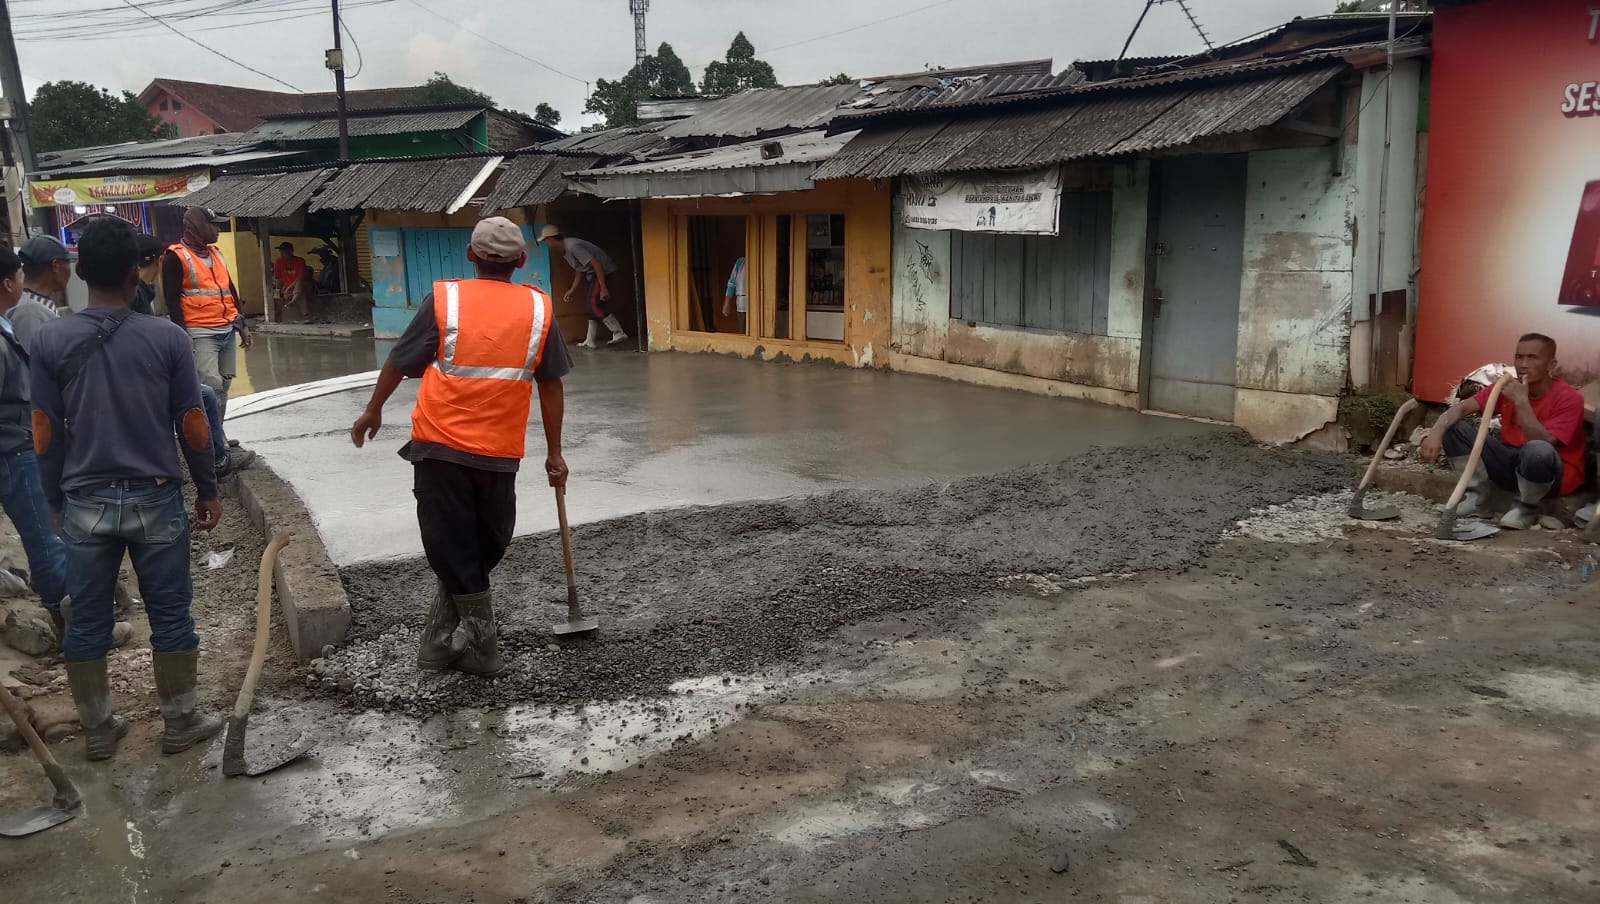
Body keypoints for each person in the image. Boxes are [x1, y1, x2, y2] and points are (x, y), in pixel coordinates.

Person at [31, 216, 224, 761]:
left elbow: (44, 432)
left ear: (82, 273)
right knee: (170, 615)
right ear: (133, 274)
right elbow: (193, 422)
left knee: (87, 617)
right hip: (155, 496)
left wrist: (51, 500)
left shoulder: (49, 340)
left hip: (84, 501)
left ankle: (98, 731)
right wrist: (207, 489)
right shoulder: (167, 337)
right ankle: (181, 722)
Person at [350, 217, 570, 677]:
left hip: (487, 449)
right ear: (522, 261)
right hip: (446, 444)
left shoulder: (518, 307)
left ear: (471, 256)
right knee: (460, 547)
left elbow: (399, 360)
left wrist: (374, 408)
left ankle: (434, 645)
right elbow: (551, 388)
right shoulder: (531, 305)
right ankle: (483, 651)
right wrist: (555, 449)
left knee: (482, 547)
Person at [1420, 333, 1587, 529]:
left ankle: (1527, 508)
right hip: (1511, 464)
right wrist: (1436, 430)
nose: (1523, 364)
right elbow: (1462, 408)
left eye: (1532, 358)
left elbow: (1545, 442)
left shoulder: (1569, 397)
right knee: (1454, 428)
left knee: (1537, 450)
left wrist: (1521, 401)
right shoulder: (1506, 387)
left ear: (1551, 364)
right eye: (1519, 357)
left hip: (1549, 476)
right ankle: (1476, 499)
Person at [163, 207, 254, 415]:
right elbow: (171, 300)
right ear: (198, 227)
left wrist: (242, 326)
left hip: (227, 329)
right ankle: (209, 441)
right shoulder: (175, 257)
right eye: (214, 225)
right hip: (200, 332)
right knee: (209, 387)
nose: (218, 229)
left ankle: (218, 435)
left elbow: (230, 290)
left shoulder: (216, 254)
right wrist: (182, 333)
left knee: (225, 383)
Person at [538, 225, 627, 348]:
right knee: (590, 307)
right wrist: (572, 289)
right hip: (594, 274)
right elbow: (579, 269)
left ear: (551, 240)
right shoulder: (565, 250)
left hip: (602, 272)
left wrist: (603, 287)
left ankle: (618, 332)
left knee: (595, 305)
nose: (546, 244)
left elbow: (596, 263)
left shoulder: (573, 247)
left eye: (545, 241)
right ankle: (590, 340)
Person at [9, 234, 70, 351]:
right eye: (67, 263)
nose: (69, 270)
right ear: (55, 265)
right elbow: (32, 364)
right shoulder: (28, 312)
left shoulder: (33, 303)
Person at [271, 241, 311, 323]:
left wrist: (289, 288)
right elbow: (279, 279)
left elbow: (300, 278)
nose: (281, 253)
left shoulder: (300, 261)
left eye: (284, 251)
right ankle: (278, 318)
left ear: (290, 252)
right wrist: (277, 292)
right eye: (281, 251)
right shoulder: (278, 262)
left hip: (303, 286)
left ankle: (305, 315)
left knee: (299, 286)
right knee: (275, 296)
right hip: (287, 290)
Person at [721, 255, 748, 334]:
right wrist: (726, 303)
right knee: (743, 334)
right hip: (741, 307)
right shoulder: (740, 262)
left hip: (758, 308)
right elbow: (732, 283)